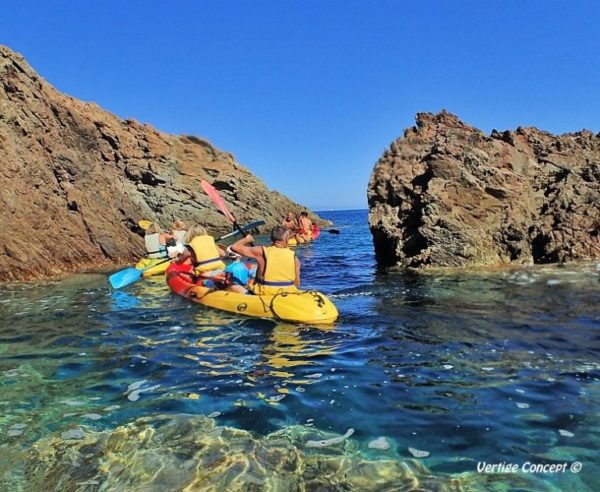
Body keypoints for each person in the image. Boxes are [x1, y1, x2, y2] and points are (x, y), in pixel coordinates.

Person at [231, 226, 300, 295]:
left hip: (265, 292)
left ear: (271, 239)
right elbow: (297, 283)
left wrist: (246, 239)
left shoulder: (261, 251)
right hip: (288, 292)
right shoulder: (294, 257)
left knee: (234, 287)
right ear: (287, 239)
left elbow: (234, 247)